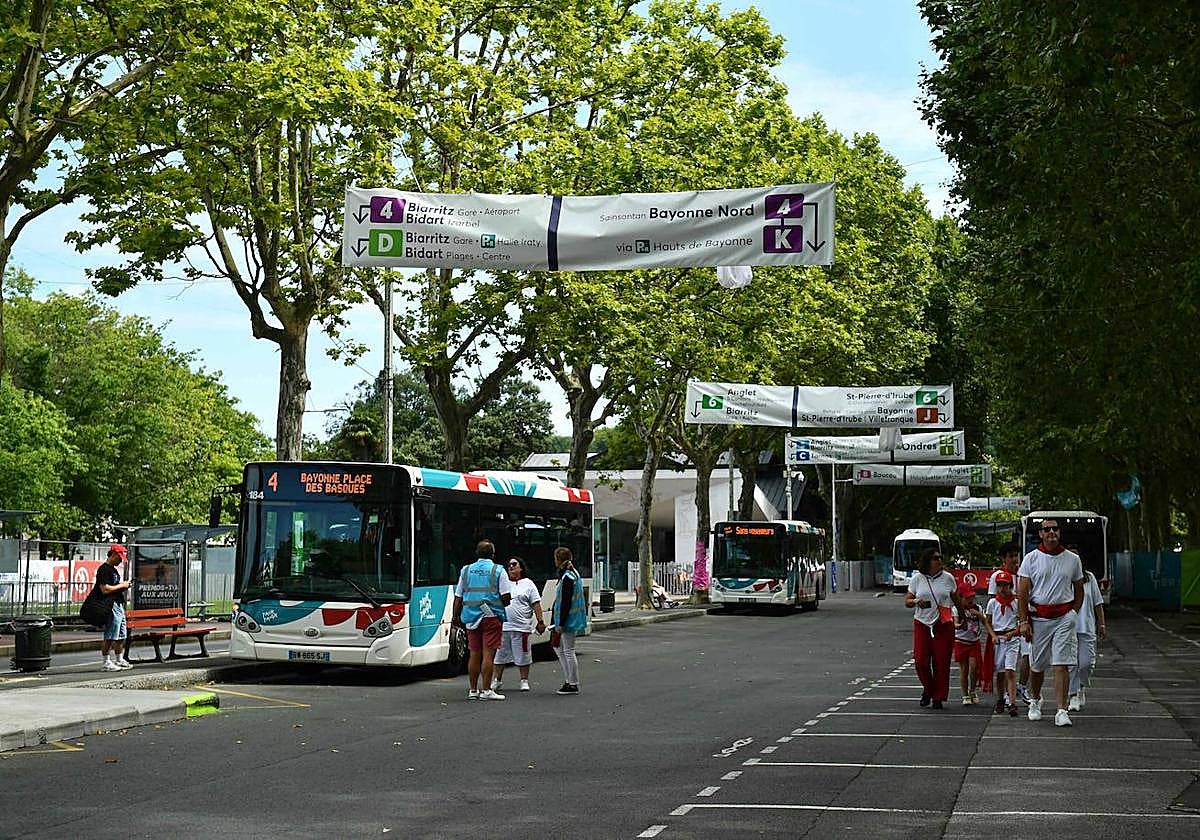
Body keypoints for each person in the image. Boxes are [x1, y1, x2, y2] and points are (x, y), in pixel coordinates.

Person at [1018, 519, 1085, 726]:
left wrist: (1074, 612)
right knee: (1037, 666)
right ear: (1040, 534)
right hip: (1039, 618)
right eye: (1047, 529)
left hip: (1064, 617)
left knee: (1061, 663)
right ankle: (1035, 700)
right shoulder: (1031, 559)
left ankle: (1061, 710)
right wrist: (1023, 621)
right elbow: (1022, 592)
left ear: (1059, 532)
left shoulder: (1073, 560)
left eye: (1055, 529)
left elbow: (1079, 589)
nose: (1051, 532)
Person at [904, 548, 967, 710]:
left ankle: (938, 697)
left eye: (940, 557)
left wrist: (962, 617)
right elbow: (907, 601)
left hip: (943, 624)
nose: (939, 560)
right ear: (927, 561)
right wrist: (916, 600)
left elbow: (956, 599)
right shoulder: (918, 579)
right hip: (922, 623)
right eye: (935, 558)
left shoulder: (948, 578)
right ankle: (929, 688)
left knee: (941, 663)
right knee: (921, 661)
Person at [452, 539, 513, 701]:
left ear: (476, 554)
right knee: (488, 654)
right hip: (491, 616)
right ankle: (486, 690)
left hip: (470, 616)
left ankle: (473, 690)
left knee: (474, 654)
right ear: (493, 554)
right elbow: (506, 597)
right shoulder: (498, 570)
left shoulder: (465, 571)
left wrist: (455, 617)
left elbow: (458, 597)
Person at [491, 557, 546, 693]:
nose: (511, 567)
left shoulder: (528, 584)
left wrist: (540, 621)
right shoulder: (503, 583)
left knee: (523, 655)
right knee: (499, 655)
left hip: (522, 627)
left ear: (521, 568)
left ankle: (524, 681)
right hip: (503, 626)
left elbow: (536, 604)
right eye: (509, 565)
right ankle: (497, 680)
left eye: (514, 565)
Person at [551, 546, 588, 695]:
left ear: (559, 560)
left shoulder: (567, 577)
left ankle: (572, 683)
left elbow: (565, 602)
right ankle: (569, 680)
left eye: (555, 558)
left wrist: (560, 623)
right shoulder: (573, 573)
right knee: (560, 648)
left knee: (568, 651)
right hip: (571, 618)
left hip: (568, 620)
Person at [1068, 565, 1106, 711]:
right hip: (1068, 628)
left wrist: (1101, 624)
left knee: (1086, 663)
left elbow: (1098, 602)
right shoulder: (1063, 578)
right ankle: (1073, 695)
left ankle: (1081, 685)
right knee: (1071, 664)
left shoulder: (1089, 578)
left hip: (1087, 627)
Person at [986, 570, 1021, 716]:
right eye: (999, 585)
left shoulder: (1016, 602)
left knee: (1010, 670)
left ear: (1010, 586)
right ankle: (1000, 699)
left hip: (1012, 639)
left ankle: (1012, 702)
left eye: (1005, 585)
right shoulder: (993, 603)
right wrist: (993, 635)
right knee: (1000, 672)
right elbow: (987, 621)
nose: (1002, 588)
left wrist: (1013, 633)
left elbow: (1022, 623)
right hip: (998, 641)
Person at [94, 545, 134, 671]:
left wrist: (123, 586)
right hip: (111, 605)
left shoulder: (113, 570)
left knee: (122, 634)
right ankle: (106, 662)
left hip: (118, 604)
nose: (121, 561)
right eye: (119, 557)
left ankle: (119, 658)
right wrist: (122, 585)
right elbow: (105, 589)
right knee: (111, 634)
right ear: (113, 555)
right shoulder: (104, 570)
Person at [953, 582, 993, 705]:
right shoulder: (956, 609)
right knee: (964, 670)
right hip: (961, 641)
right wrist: (959, 625)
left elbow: (985, 621)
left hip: (973, 642)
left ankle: (972, 690)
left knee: (975, 667)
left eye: (972, 597)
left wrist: (979, 615)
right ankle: (965, 694)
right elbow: (954, 623)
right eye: (967, 598)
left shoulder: (977, 608)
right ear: (960, 598)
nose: (970, 600)